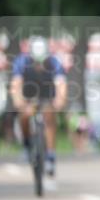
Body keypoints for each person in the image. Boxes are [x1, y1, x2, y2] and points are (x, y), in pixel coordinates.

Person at [10, 36, 67, 177]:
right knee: (24, 115)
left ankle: (50, 156)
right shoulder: (22, 62)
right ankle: (27, 143)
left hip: (47, 96)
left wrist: (60, 100)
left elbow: (61, 85)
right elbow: (16, 84)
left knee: (49, 117)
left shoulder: (54, 63)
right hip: (29, 96)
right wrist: (18, 101)